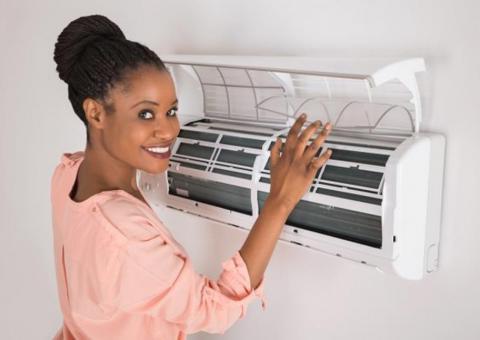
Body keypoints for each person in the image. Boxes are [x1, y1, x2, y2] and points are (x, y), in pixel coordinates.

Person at [50, 14, 332, 340]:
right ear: (95, 113)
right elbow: (214, 309)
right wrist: (280, 201)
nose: (170, 129)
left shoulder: (66, 175)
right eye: (146, 113)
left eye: (171, 111)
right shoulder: (125, 235)